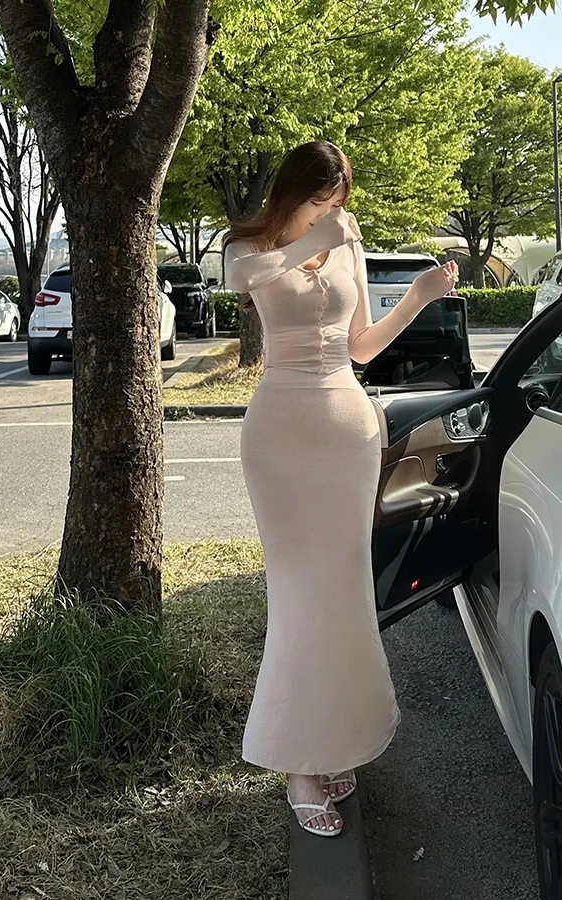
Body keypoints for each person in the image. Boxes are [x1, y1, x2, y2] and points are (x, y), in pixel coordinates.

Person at [223, 140, 458, 838]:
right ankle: (300, 763)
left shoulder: (346, 244)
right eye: (318, 200)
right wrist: (312, 242)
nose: (330, 212)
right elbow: (243, 279)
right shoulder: (250, 245)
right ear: (292, 194)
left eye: (337, 202)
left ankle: (338, 742)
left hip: (350, 428)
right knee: (298, 594)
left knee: (345, 592)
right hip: (281, 431)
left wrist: (418, 296)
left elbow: (360, 347)